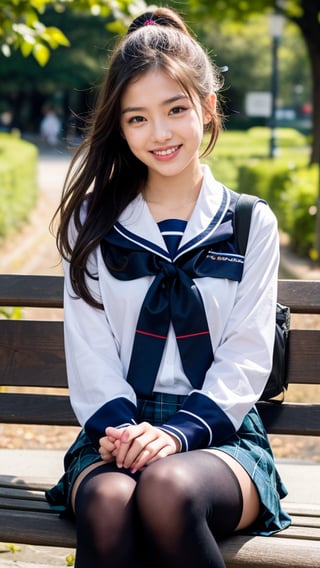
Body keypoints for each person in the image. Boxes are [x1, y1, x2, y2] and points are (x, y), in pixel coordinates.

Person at [46, 6, 291, 567]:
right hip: (115, 428)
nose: (159, 134)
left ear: (206, 108)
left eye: (175, 109)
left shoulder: (250, 222)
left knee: (167, 486)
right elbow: (89, 352)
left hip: (218, 434)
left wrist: (177, 434)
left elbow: (247, 355)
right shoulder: (93, 222)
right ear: (119, 125)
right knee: (109, 498)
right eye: (136, 118)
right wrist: (126, 432)